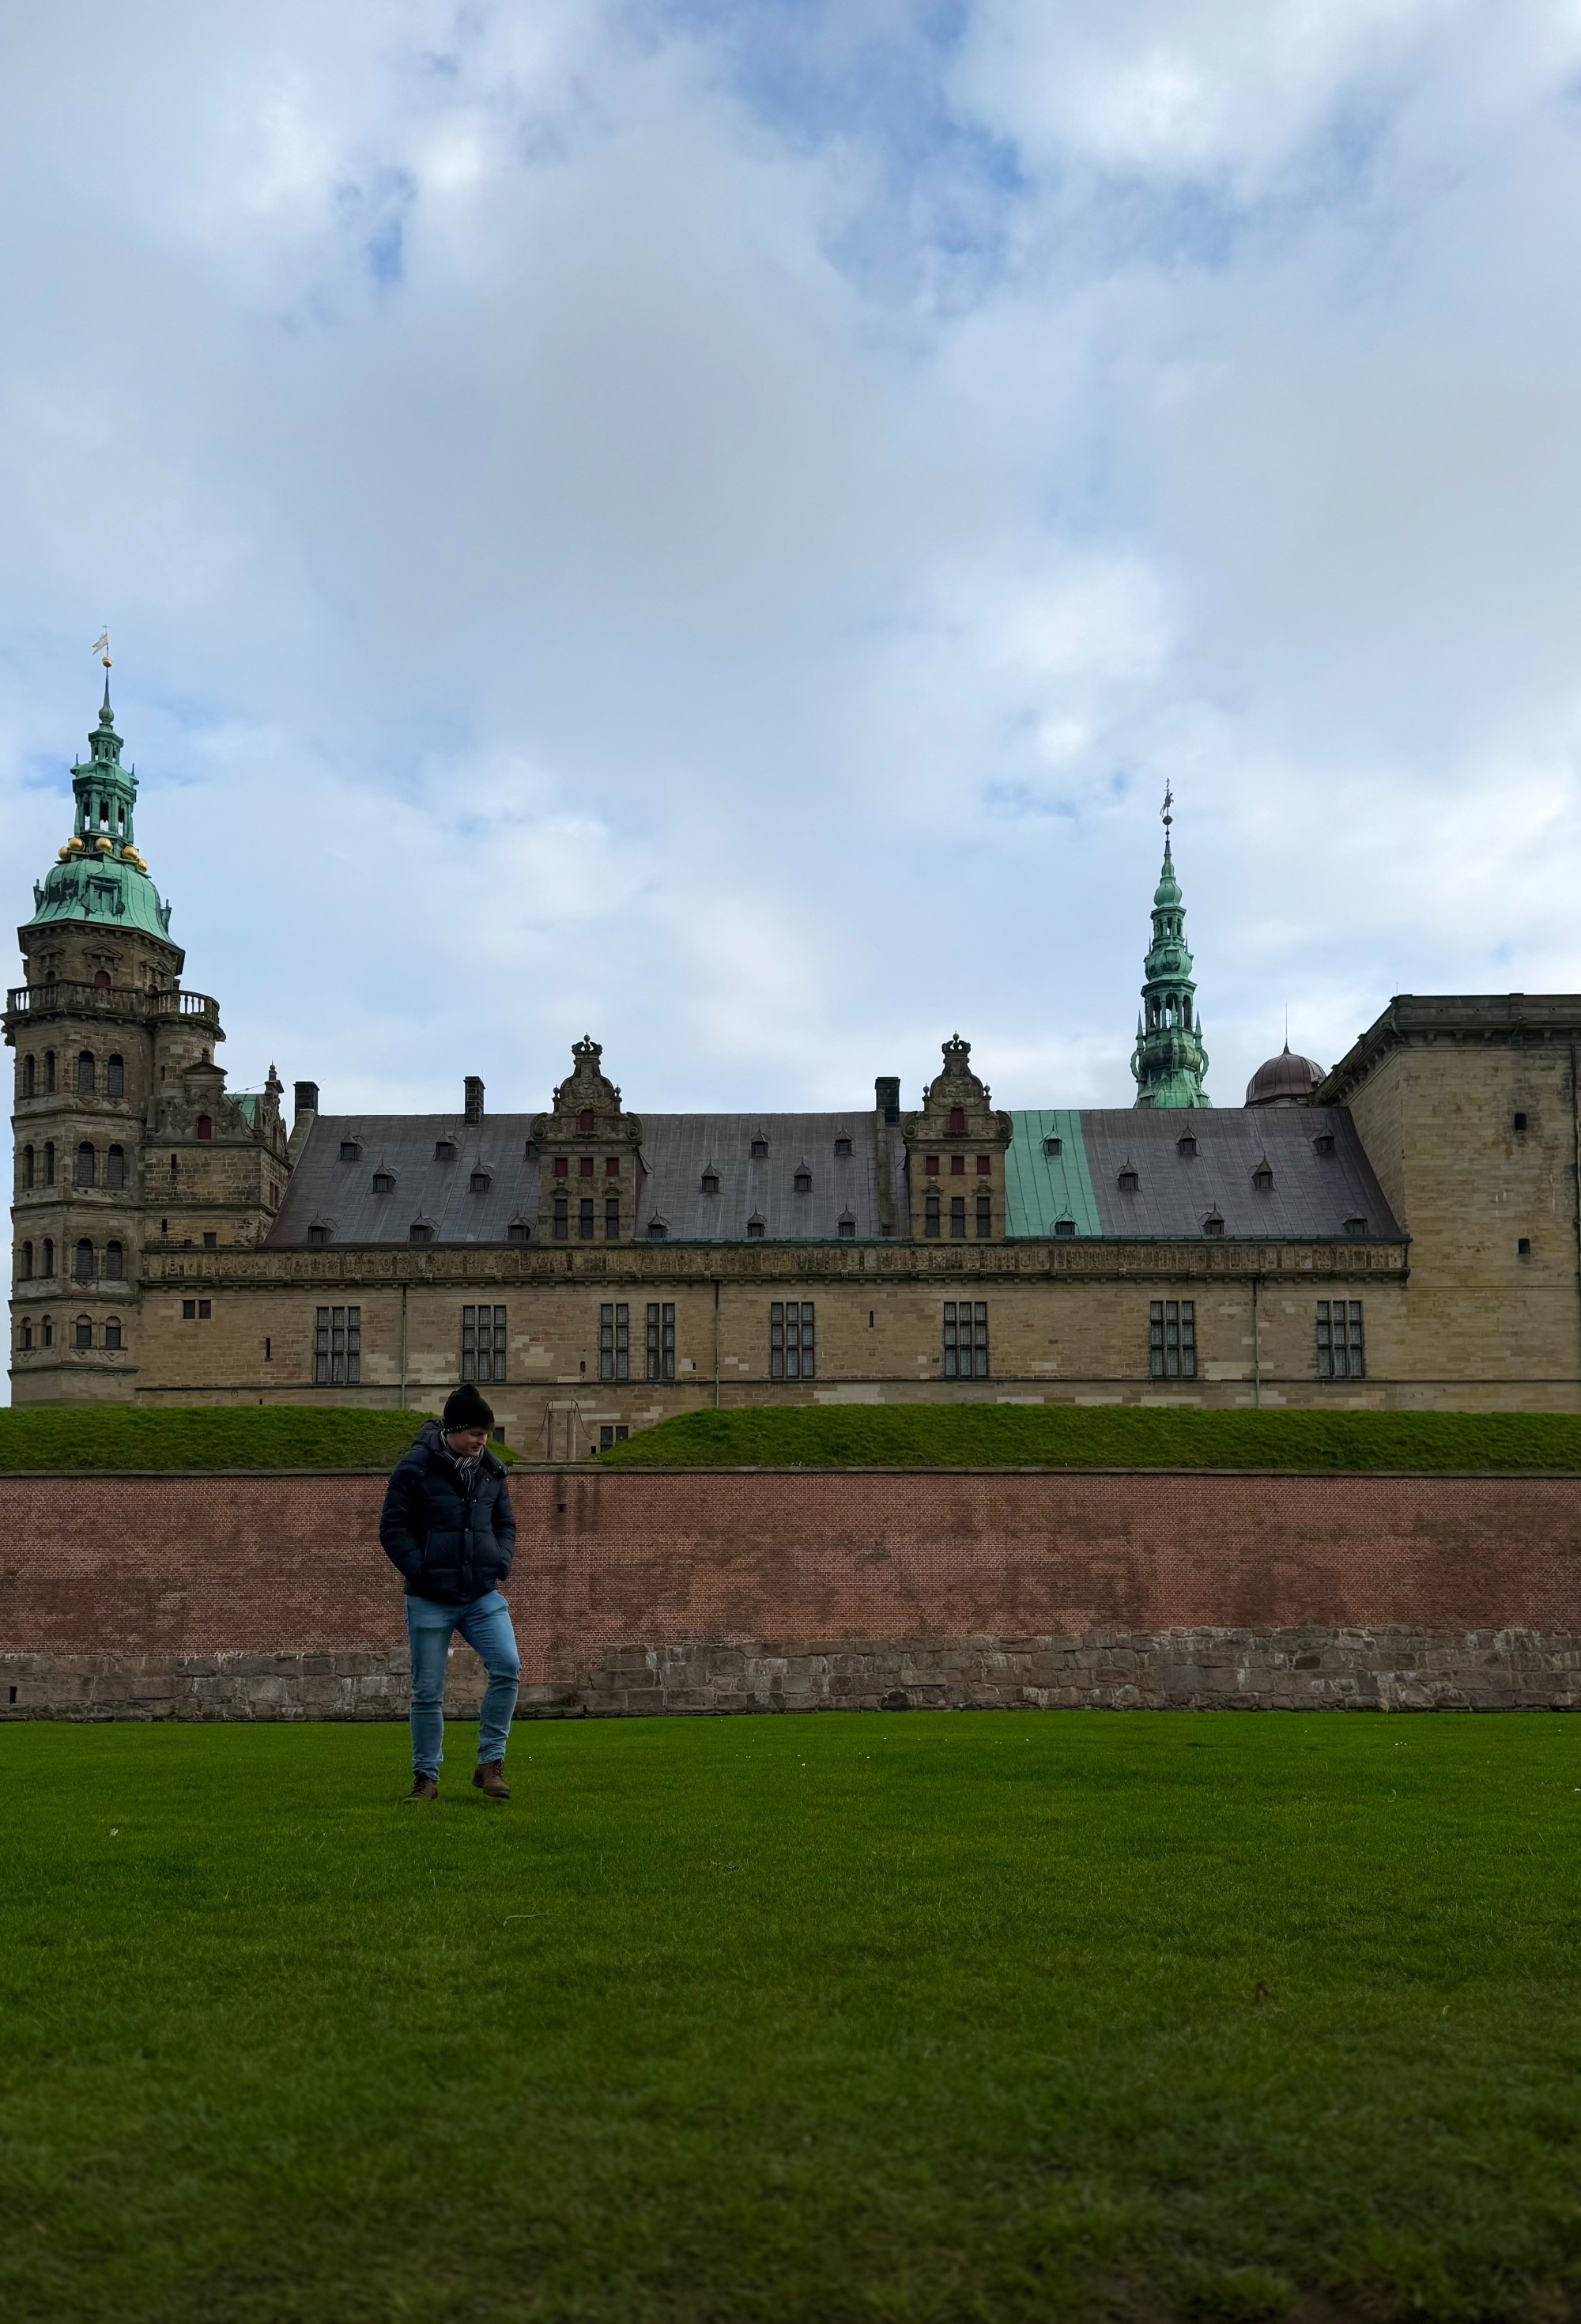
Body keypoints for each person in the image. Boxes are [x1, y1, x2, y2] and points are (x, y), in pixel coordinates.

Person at [379, 1385, 520, 1804]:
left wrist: (500, 1561)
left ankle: (490, 1765)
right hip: (430, 1598)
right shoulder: (415, 1468)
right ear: (454, 1430)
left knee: (508, 1667)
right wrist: (422, 1571)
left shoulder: (492, 1470)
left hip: (481, 1594)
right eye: (476, 1432)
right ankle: (426, 1779)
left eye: (487, 1432)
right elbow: (392, 1529)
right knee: (427, 1692)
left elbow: (505, 1523)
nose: (483, 1441)